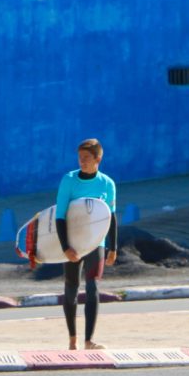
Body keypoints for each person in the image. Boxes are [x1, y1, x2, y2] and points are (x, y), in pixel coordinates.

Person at [56, 138, 117, 351]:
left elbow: (111, 216)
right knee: (71, 288)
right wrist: (65, 247)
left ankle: (89, 340)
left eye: (86, 158)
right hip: (73, 241)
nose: (82, 162)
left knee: (93, 287)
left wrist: (113, 247)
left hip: (96, 242)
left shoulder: (107, 184)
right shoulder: (69, 180)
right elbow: (60, 217)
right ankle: (72, 338)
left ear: (98, 159)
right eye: (80, 158)